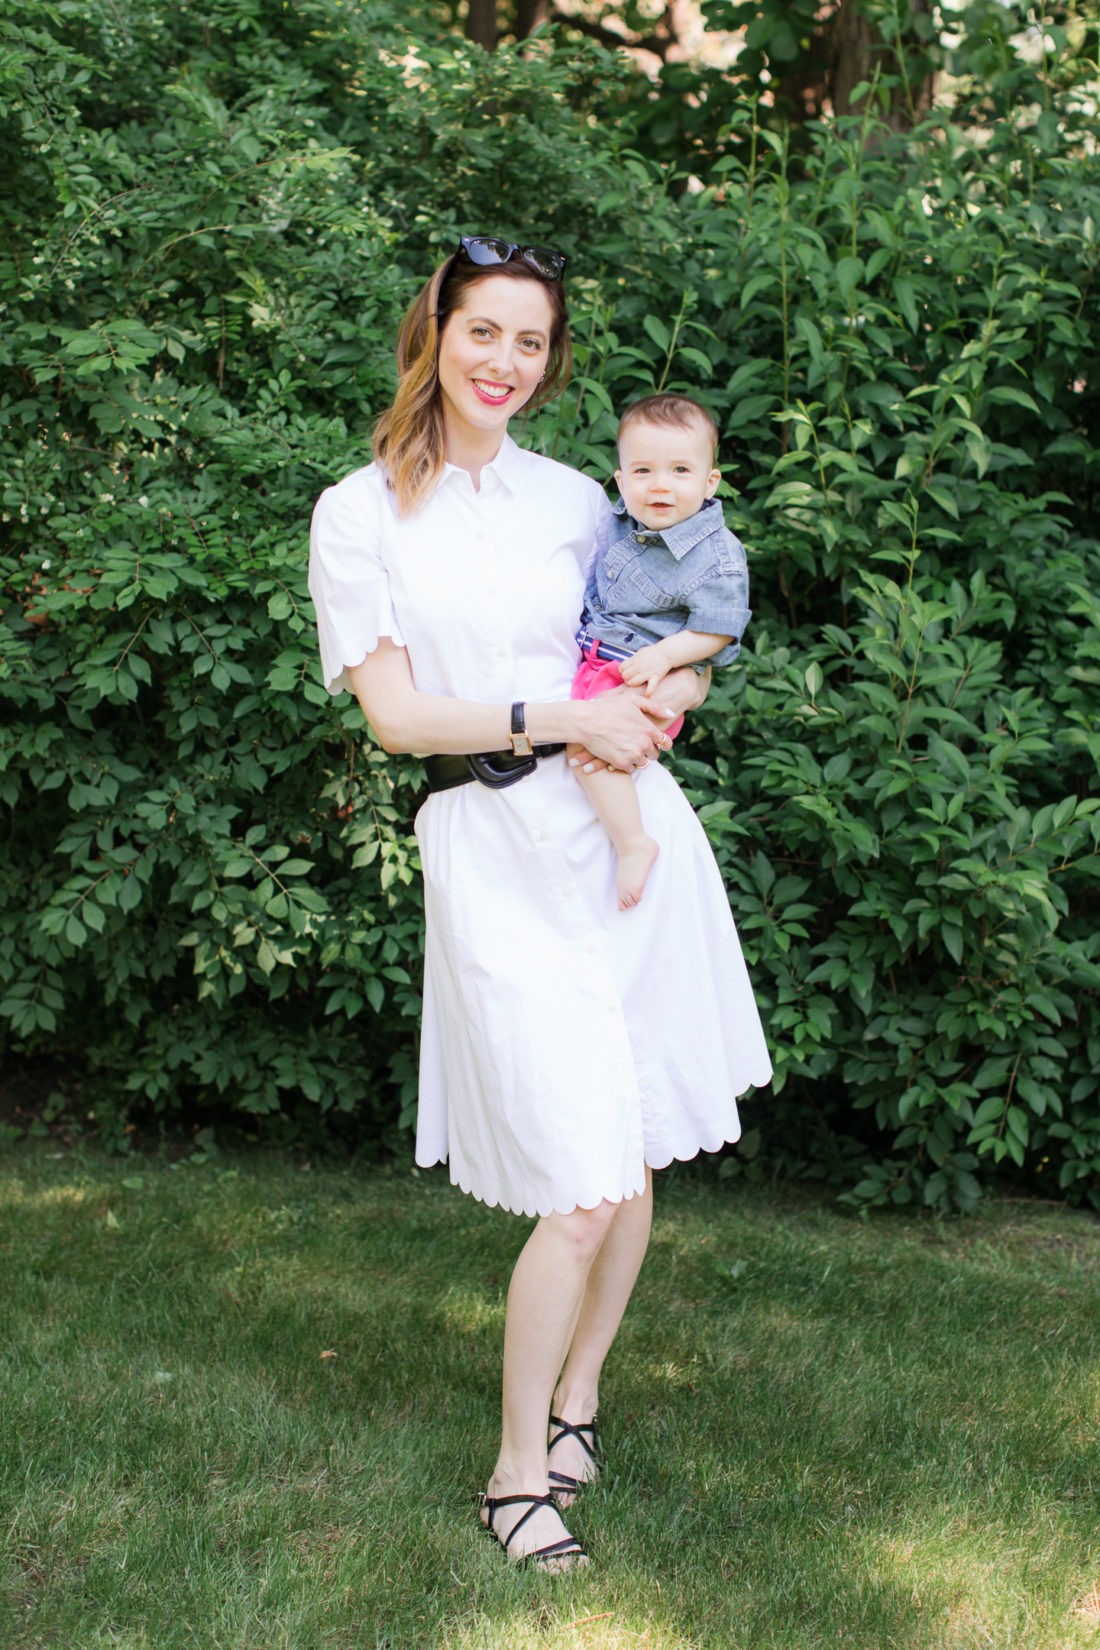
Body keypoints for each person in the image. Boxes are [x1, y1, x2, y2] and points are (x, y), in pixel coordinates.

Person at [307, 234, 772, 1571]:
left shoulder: (584, 498)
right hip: (491, 840)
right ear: (435, 332)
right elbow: (396, 718)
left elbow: (689, 617)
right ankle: (519, 1475)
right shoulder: (359, 512)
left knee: (621, 1159)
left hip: (623, 837)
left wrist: (662, 700)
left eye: (531, 340)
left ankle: (577, 1401)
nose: (506, 360)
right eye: (484, 331)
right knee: (577, 1175)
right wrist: (558, 711)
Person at [570, 392, 751, 910]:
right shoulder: (619, 524)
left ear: (709, 482)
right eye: (644, 471)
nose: (661, 485)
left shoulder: (715, 553)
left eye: (679, 470)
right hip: (605, 660)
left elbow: (719, 630)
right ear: (621, 480)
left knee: (589, 748)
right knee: (583, 740)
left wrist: (668, 657)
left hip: (642, 676)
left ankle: (633, 843)